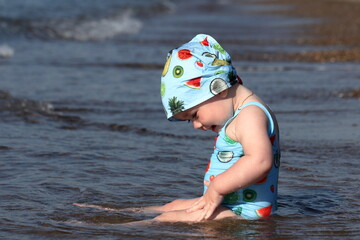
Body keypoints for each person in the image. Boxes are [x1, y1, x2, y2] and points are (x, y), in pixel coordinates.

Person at [152, 34, 280, 222]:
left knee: (164, 219)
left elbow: (260, 161)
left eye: (194, 115)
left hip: (244, 213)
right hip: (229, 204)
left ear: (219, 88)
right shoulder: (241, 113)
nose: (196, 125)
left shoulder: (250, 115)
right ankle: (123, 212)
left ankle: (125, 228)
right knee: (171, 207)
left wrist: (217, 187)